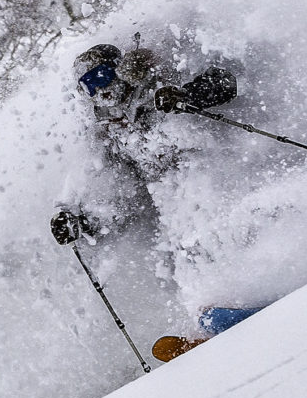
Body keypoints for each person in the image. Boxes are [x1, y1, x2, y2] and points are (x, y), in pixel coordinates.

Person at [49, 37, 238, 245]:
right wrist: (85, 223)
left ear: (118, 69)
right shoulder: (108, 129)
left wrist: (187, 95)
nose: (99, 90)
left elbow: (225, 82)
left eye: (100, 77)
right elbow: (121, 189)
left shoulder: (157, 78)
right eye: (89, 86)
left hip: (217, 177)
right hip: (177, 208)